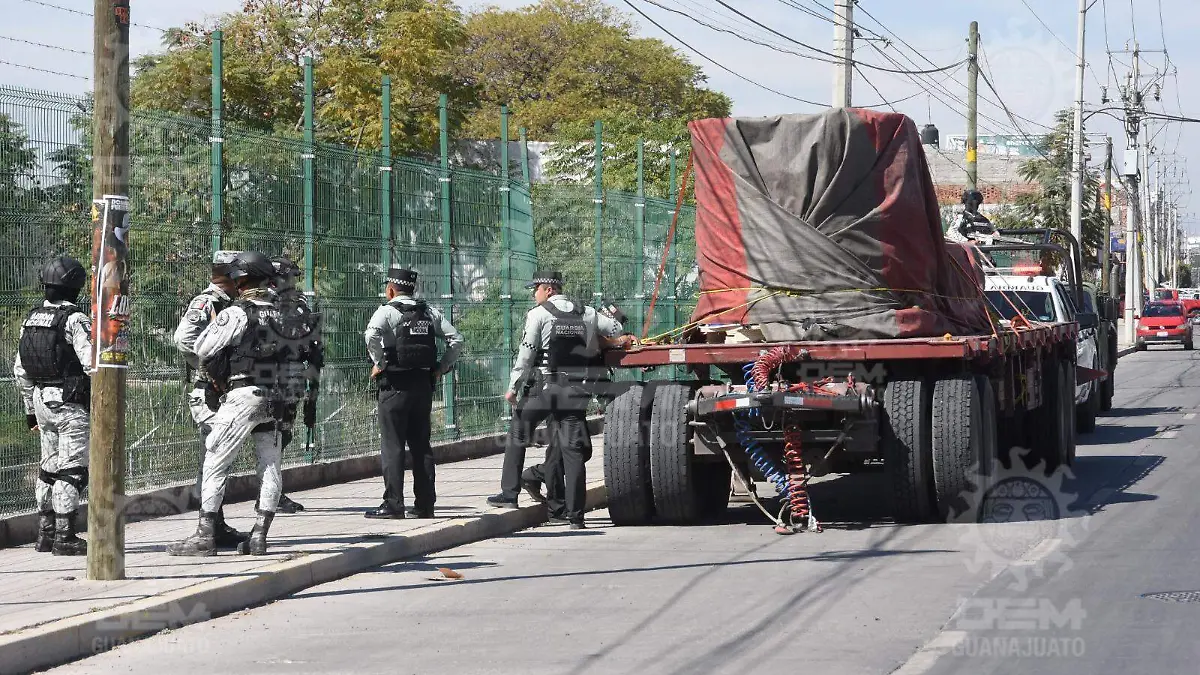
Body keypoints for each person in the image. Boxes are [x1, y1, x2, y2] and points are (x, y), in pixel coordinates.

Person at [167, 251, 289, 557]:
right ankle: (259, 536)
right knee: (270, 465)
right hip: (276, 397)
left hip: (242, 394)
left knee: (215, 459)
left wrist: (216, 370)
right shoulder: (285, 312)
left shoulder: (237, 312)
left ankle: (205, 535)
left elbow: (202, 346)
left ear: (242, 279)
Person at [486, 271, 625, 529]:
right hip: (574, 391)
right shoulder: (588, 313)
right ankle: (576, 517)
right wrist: (601, 331)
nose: (533, 293)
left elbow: (526, 355)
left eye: (536, 288)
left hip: (544, 388)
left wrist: (513, 388)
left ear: (549, 289)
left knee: (517, 433)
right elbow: (617, 328)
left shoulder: (538, 314)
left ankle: (509, 494)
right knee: (573, 452)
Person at [363, 267, 464, 519]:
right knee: (421, 446)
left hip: (394, 385)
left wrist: (380, 363)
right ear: (413, 288)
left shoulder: (386, 311)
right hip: (423, 385)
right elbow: (457, 339)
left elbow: (371, 335)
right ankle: (425, 505)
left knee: (393, 445)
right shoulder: (429, 311)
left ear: (390, 289)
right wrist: (441, 368)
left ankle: (394, 504)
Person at [13, 256, 93, 555]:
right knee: (72, 469)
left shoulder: (31, 318)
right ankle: (65, 536)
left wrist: (29, 410)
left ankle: (44, 533)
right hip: (69, 402)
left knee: (48, 467)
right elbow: (90, 364)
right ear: (76, 285)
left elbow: (20, 370)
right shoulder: (75, 319)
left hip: (40, 399)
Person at [172, 250, 248, 549]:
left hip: (222, 390)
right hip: (208, 393)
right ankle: (207, 528)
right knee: (212, 457)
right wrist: (208, 366)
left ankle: (216, 523)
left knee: (219, 457)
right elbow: (182, 339)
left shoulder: (227, 303)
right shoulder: (207, 301)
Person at [266, 254, 323, 514]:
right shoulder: (264, 303)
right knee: (271, 437)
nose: (293, 282)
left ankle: (272, 492)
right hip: (269, 378)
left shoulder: (298, 305)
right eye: (289, 277)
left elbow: (312, 342)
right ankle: (269, 493)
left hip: (294, 376)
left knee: (283, 435)